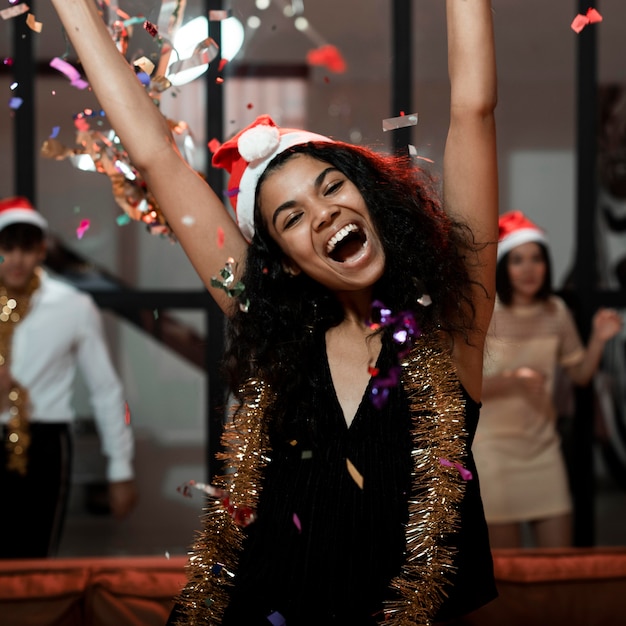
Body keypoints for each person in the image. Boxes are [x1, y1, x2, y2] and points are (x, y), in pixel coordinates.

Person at [50, 0, 498, 623]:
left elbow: (473, 108)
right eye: (290, 218)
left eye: (332, 186)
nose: (323, 214)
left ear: (368, 196)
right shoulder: (271, 334)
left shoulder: (453, 325)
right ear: (282, 261)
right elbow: (155, 156)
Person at [473, 211, 623, 549]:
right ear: (503, 267)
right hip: (493, 454)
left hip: (543, 451)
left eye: (536, 259)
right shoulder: (487, 312)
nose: (529, 269)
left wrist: (599, 339)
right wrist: (511, 379)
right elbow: (462, 387)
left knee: (558, 560)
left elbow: (581, 376)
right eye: (518, 260)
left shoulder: (556, 311)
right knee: (508, 573)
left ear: (547, 265)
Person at [0, 196, 137, 559]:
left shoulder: (72, 305)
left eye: (26, 248)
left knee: (34, 560)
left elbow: (106, 390)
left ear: (42, 249)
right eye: (7, 248)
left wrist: (120, 469)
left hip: (45, 441)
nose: (15, 259)